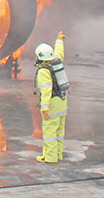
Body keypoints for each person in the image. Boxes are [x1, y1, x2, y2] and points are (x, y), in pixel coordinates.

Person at [35, 31, 68, 163]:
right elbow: (59, 53)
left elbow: (46, 90)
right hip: (62, 101)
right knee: (59, 132)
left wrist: (44, 109)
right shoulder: (56, 62)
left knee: (49, 132)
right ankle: (58, 155)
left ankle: (50, 158)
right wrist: (59, 40)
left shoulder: (43, 71)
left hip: (52, 104)